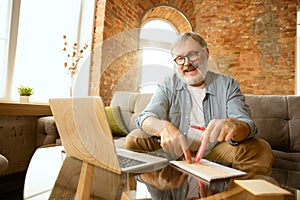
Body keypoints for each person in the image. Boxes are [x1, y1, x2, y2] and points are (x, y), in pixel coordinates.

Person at [124, 32, 273, 183]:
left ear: (206, 53)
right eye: (180, 59)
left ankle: (228, 196)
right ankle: (161, 184)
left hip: (215, 152)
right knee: (135, 138)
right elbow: (145, 117)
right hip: (175, 152)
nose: (187, 63)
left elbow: (247, 124)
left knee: (260, 149)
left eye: (193, 55)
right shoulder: (168, 84)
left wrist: (234, 125)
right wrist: (163, 128)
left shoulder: (228, 84)